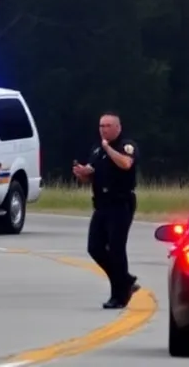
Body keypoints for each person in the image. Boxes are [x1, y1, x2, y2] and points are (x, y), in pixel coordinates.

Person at [72, 112, 140, 308]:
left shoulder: (126, 146)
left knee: (116, 249)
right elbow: (92, 174)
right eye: (101, 126)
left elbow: (126, 164)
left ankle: (118, 295)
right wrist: (83, 173)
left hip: (121, 203)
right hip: (101, 204)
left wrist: (108, 148)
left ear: (118, 127)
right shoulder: (97, 149)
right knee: (95, 247)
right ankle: (125, 280)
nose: (104, 129)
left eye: (108, 126)